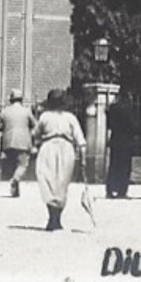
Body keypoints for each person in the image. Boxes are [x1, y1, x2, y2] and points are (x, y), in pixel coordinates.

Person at [31, 88, 86, 231]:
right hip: (66, 148)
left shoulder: (44, 116)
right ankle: (56, 217)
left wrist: (37, 142)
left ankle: (53, 217)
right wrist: (84, 158)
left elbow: (35, 134)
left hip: (48, 147)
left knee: (48, 180)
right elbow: (80, 139)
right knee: (62, 182)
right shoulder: (70, 118)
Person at [0, 87, 36, 198]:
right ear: (21, 99)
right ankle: (15, 180)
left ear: (11, 99)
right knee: (22, 164)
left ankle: (15, 191)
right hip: (23, 141)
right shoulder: (27, 111)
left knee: (13, 164)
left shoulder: (5, 111)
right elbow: (34, 125)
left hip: (8, 142)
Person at [104, 86, 138, 198]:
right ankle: (122, 190)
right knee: (125, 166)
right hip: (126, 140)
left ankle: (110, 189)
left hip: (115, 139)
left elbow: (109, 123)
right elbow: (132, 124)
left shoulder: (113, 108)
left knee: (114, 165)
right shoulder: (129, 108)